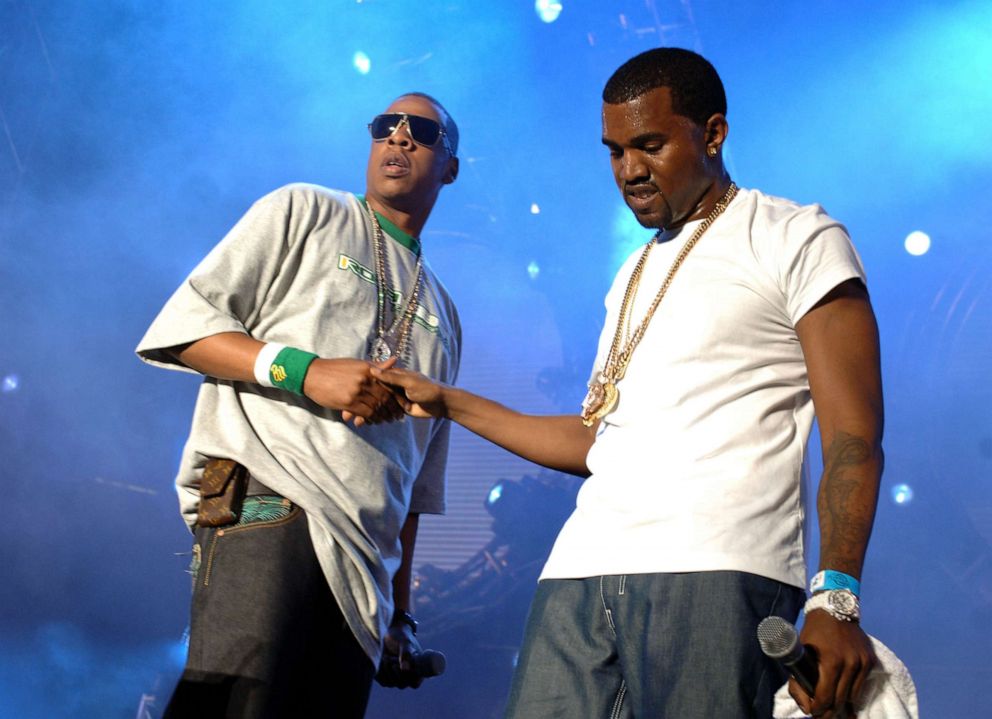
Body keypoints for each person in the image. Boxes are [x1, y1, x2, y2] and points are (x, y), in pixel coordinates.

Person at [374, 48, 882, 719]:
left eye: (649, 145)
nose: (629, 171)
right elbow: (598, 442)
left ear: (714, 133)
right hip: (577, 575)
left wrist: (835, 595)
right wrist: (450, 400)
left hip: (717, 570)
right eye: (614, 151)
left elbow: (854, 435)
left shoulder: (797, 237)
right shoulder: (631, 275)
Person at [136, 92, 462, 718]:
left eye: (420, 131)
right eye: (384, 126)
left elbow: (415, 485)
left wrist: (400, 611)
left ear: (449, 165)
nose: (397, 138)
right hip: (272, 503)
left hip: (364, 573)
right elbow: (185, 329)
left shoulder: (446, 315)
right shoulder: (305, 210)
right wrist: (304, 370)